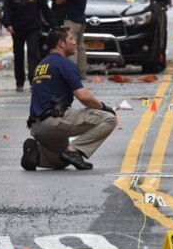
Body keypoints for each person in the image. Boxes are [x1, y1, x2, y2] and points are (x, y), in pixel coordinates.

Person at [22, 27, 116, 171]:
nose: (74, 42)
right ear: (61, 43)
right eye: (71, 39)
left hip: (37, 127)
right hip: (54, 121)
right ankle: (74, 151)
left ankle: (37, 156)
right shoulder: (65, 64)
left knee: (62, 161)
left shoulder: (42, 65)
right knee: (109, 119)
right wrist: (103, 107)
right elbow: (83, 96)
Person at [2, 0, 57, 92]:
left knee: (33, 53)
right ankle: (19, 81)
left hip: (33, 27)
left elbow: (45, 10)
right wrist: (7, 24)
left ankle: (33, 79)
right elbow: (6, 11)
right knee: (18, 54)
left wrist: (54, 25)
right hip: (17, 29)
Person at [56, 0, 87, 79]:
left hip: (72, 21)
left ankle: (71, 74)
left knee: (70, 47)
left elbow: (59, 1)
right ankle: (82, 73)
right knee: (80, 47)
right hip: (82, 21)